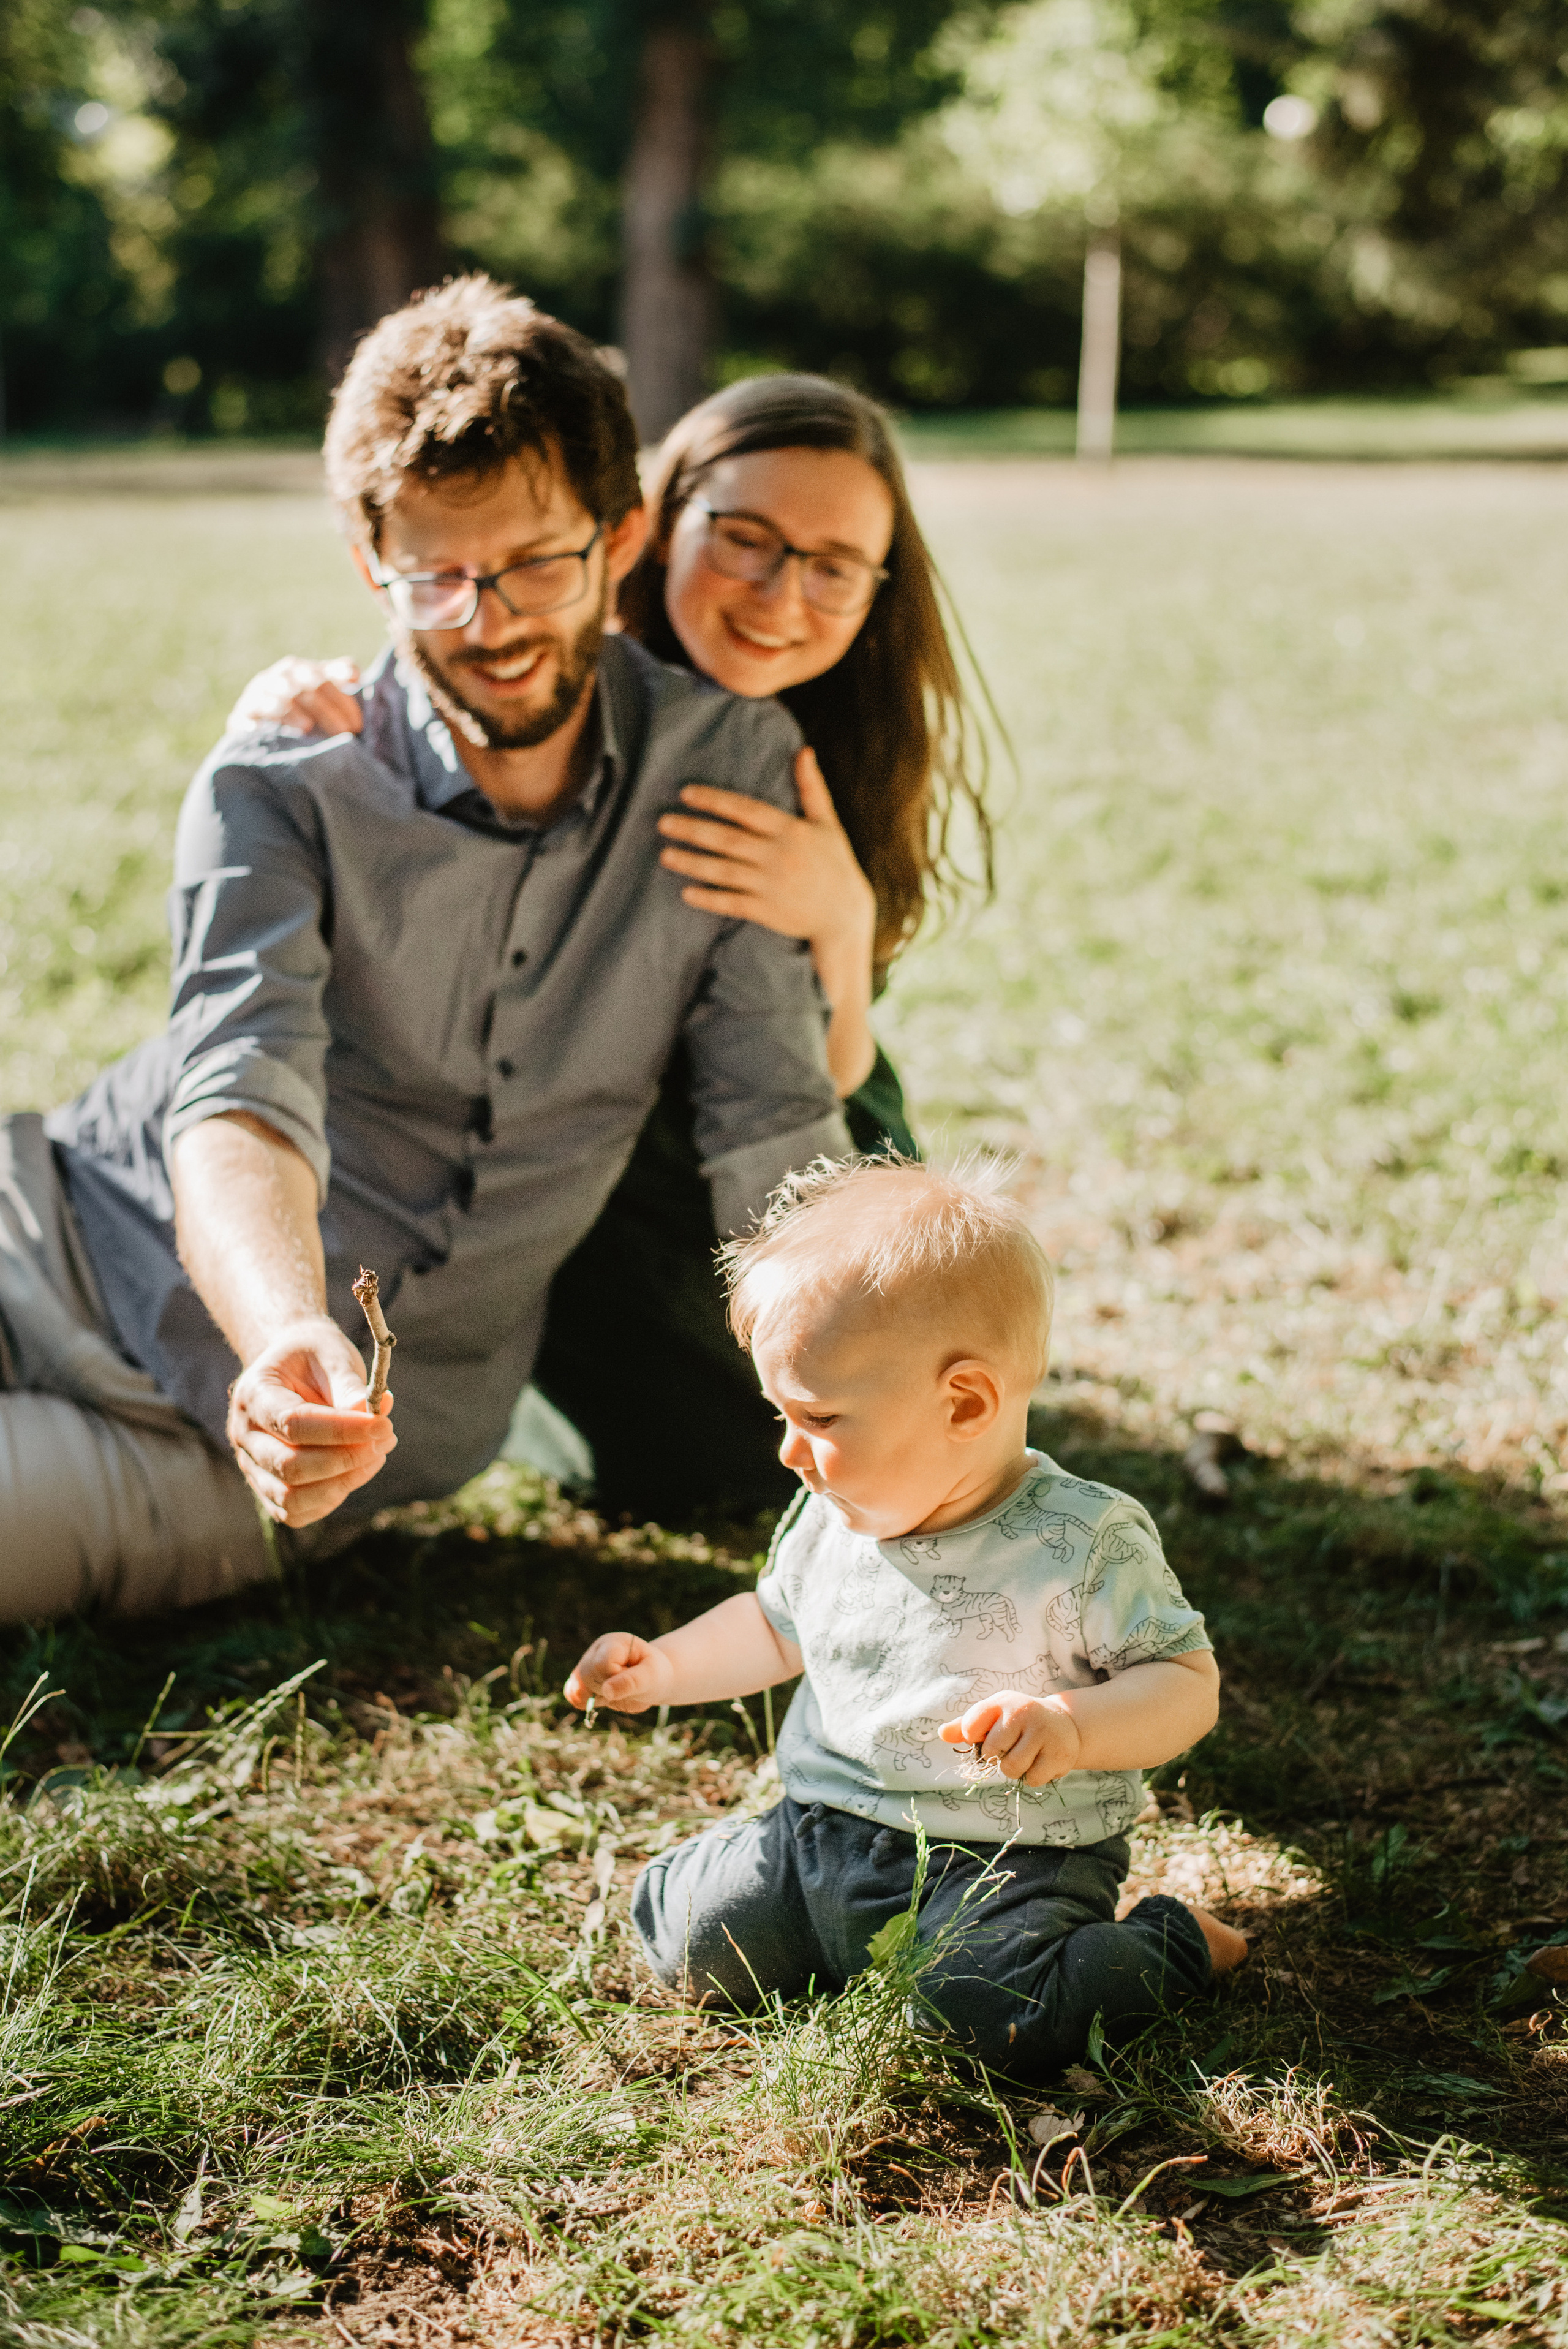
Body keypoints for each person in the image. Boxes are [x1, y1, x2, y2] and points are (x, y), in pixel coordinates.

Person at [0, 275, 851, 1620]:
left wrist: (876, 1410)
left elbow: (773, 1126)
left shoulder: (726, 766)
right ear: (367, 562)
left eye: (536, 565)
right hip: (46, 1226)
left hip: (261, 1458)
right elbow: (240, 1091)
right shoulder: (284, 775)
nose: (489, 622)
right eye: (436, 577)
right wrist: (288, 1327)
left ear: (621, 536)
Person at [233, 375, 992, 1518]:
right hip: (583, 1142)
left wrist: (839, 921)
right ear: (653, 526)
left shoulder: (836, 744)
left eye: (835, 565)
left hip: (795, 1112)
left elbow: (822, 1080)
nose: (781, 594)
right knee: (699, 1451)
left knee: (855, 1394)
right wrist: (289, 701)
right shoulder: (557, 677)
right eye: (744, 540)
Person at [564, 1157, 1248, 2079]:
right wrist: (666, 1668)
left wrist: (1073, 1725)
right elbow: (773, 1625)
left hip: (1008, 1861)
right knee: (693, 1938)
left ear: (964, 1402)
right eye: (781, 1414)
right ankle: (818, 1933)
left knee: (994, 2020)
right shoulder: (836, 1512)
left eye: (818, 1417)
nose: (789, 1451)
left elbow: (1185, 1684)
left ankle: (1176, 1944)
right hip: (820, 1830)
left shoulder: (1083, 1541)